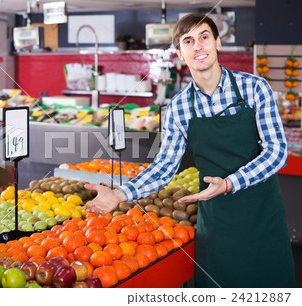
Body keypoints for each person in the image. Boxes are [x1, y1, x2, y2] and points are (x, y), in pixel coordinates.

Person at [83, 13, 296, 288]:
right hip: (217, 221)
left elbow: (277, 151)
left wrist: (231, 183)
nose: (198, 46)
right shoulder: (179, 108)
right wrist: (120, 194)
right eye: (188, 41)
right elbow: (164, 167)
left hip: (263, 214)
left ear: (218, 43)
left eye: (204, 37)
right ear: (180, 53)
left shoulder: (255, 88)